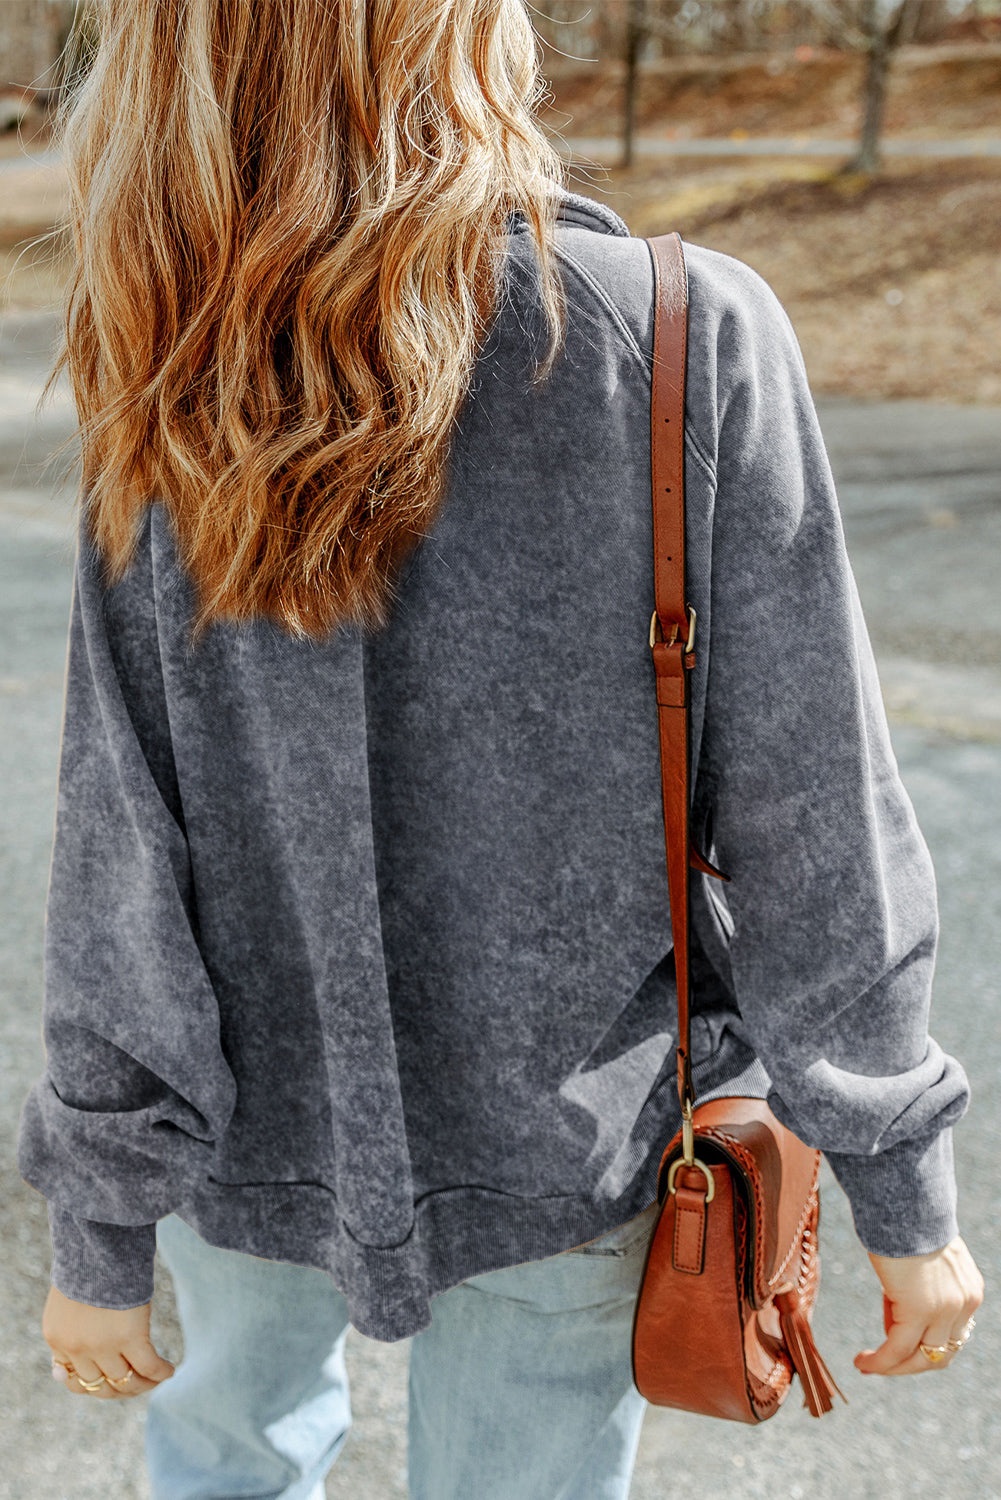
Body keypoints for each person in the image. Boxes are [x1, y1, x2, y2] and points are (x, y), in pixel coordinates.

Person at [18, 2, 983, 1497]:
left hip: (245, 1128)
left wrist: (103, 1216)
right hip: (571, 1132)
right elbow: (812, 805)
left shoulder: (173, 371)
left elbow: (120, 847)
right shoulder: (677, 333)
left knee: (224, 1465)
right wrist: (899, 1178)